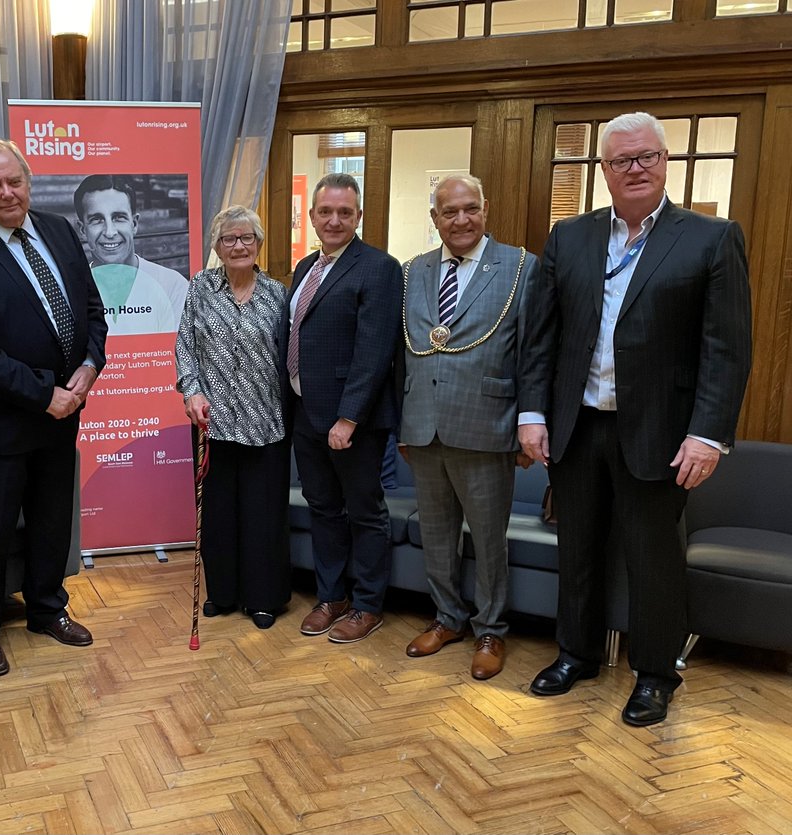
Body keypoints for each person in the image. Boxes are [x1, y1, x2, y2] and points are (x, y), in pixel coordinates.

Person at [519, 111, 752, 726]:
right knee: (579, 550)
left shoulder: (710, 237)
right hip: (577, 426)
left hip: (660, 434)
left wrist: (709, 435)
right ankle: (577, 654)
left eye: (645, 156)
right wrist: (533, 413)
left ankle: (655, 674)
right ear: (604, 170)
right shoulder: (570, 237)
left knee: (653, 560)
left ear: (665, 160)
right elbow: (542, 337)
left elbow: (727, 349)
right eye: (621, 160)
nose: (635, 168)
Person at [0, 140, 108, 678]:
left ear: (28, 182)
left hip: (66, 411)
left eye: (15, 182)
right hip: (4, 423)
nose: (8, 193)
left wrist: (91, 363)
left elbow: (91, 308)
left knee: (53, 521)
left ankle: (46, 609)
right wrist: (43, 393)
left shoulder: (57, 230)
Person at [398, 174, 540, 680]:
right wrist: (402, 424)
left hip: (488, 425)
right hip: (423, 427)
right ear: (434, 218)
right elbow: (403, 353)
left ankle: (491, 629)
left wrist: (529, 423)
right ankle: (448, 618)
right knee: (437, 534)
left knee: (487, 538)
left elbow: (534, 353)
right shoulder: (412, 271)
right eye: (448, 211)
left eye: (469, 209)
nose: (461, 220)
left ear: (486, 208)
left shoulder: (522, 267)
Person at [281, 172, 402, 643]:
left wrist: (348, 417)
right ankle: (331, 597)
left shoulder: (379, 267)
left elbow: (375, 350)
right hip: (305, 413)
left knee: (365, 512)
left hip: (351, 422)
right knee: (323, 509)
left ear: (358, 217)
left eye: (344, 213)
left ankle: (368, 603)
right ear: (311, 216)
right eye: (325, 212)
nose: (334, 220)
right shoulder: (305, 268)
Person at [175, 206, 290, 629]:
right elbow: (185, 346)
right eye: (229, 239)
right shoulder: (200, 288)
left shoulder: (279, 295)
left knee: (262, 514)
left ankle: (263, 598)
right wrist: (192, 391)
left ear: (259, 245)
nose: (238, 246)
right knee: (219, 514)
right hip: (214, 424)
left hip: (266, 422)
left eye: (246, 238)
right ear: (217, 247)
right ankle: (222, 593)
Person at [73, 174, 188, 334]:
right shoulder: (71, 291)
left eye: (119, 218)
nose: (110, 232)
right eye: (97, 219)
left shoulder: (172, 285)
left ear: (134, 224)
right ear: (83, 230)